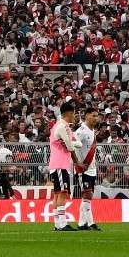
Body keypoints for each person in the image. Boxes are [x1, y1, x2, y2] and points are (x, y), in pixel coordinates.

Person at [47, 99, 80, 232]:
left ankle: (57, 224)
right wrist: (74, 146)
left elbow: (75, 143)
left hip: (57, 164)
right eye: (73, 113)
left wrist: (74, 144)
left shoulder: (62, 127)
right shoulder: (61, 126)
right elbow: (71, 146)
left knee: (57, 194)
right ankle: (62, 224)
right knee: (62, 193)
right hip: (60, 164)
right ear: (68, 113)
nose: (74, 116)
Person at [73, 111, 103, 231]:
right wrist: (77, 162)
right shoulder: (81, 131)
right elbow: (71, 144)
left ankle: (81, 223)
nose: (96, 118)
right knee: (87, 194)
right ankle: (91, 223)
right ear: (86, 116)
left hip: (92, 169)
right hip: (83, 169)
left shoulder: (91, 131)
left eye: (97, 116)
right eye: (93, 116)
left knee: (87, 197)